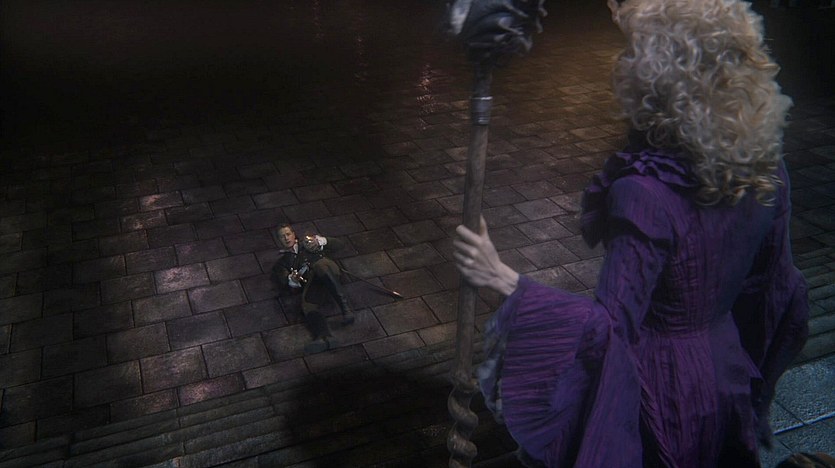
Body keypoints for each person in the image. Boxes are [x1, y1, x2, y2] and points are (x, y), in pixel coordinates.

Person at [453, 0, 810, 466]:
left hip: (659, 391)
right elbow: (779, 294)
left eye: (635, 51)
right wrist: (758, 391)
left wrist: (501, 277)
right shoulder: (767, 171)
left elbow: (607, 330)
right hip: (725, 373)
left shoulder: (645, 194)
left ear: (658, 79)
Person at [273, 223, 355, 354]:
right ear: (278, 240)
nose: (286, 238)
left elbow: (340, 245)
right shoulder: (281, 263)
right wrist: (292, 280)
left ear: (293, 234)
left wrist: (321, 241)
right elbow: (285, 283)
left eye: (288, 234)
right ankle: (324, 337)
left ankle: (346, 309)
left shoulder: (309, 243)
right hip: (314, 283)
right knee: (307, 305)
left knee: (320, 265)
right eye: (282, 237)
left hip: (328, 270)